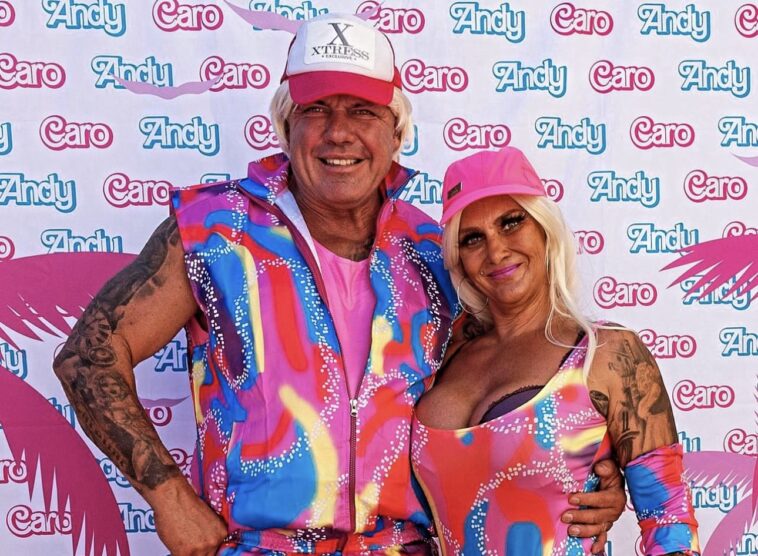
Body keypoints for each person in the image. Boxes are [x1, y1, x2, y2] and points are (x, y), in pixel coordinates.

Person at [53, 13, 626, 556]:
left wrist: (588, 474)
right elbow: (88, 356)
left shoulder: (434, 253)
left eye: (362, 111)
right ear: (287, 125)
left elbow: (511, 378)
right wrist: (168, 496)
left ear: (396, 130)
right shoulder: (214, 231)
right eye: (316, 109)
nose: (339, 133)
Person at [411, 148, 700, 555]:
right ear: (458, 258)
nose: (496, 251)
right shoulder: (441, 354)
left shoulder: (607, 354)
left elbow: (669, 521)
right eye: (472, 238)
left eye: (512, 222)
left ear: (545, 229)